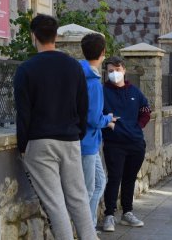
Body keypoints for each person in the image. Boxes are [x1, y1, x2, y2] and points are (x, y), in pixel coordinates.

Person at [14, 14, 96, 240]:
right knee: (78, 198)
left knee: (55, 203)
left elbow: (24, 113)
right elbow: (83, 106)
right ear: (56, 36)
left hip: (40, 142)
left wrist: (23, 145)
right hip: (70, 140)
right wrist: (76, 133)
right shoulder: (74, 66)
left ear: (33, 36)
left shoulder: (26, 69)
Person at [101, 56, 151, 232]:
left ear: (124, 70)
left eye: (117, 70)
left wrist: (138, 126)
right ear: (106, 73)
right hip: (114, 143)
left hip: (136, 143)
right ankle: (109, 215)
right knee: (114, 178)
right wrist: (108, 126)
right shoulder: (102, 91)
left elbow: (146, 110)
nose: (114, 73)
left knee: (130, 178)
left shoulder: (135, 92)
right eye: (110, 71)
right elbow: (95, 115)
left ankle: (127, 212)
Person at [79, 33, 117, 232]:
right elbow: (93, 118)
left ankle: (90, 226)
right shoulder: (93, 82)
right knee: (87, 189)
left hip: (87, 141)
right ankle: (86, 229)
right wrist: (107, 119)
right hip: (87, 143)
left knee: (99, 183)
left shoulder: (78, 72)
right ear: (103, 52)